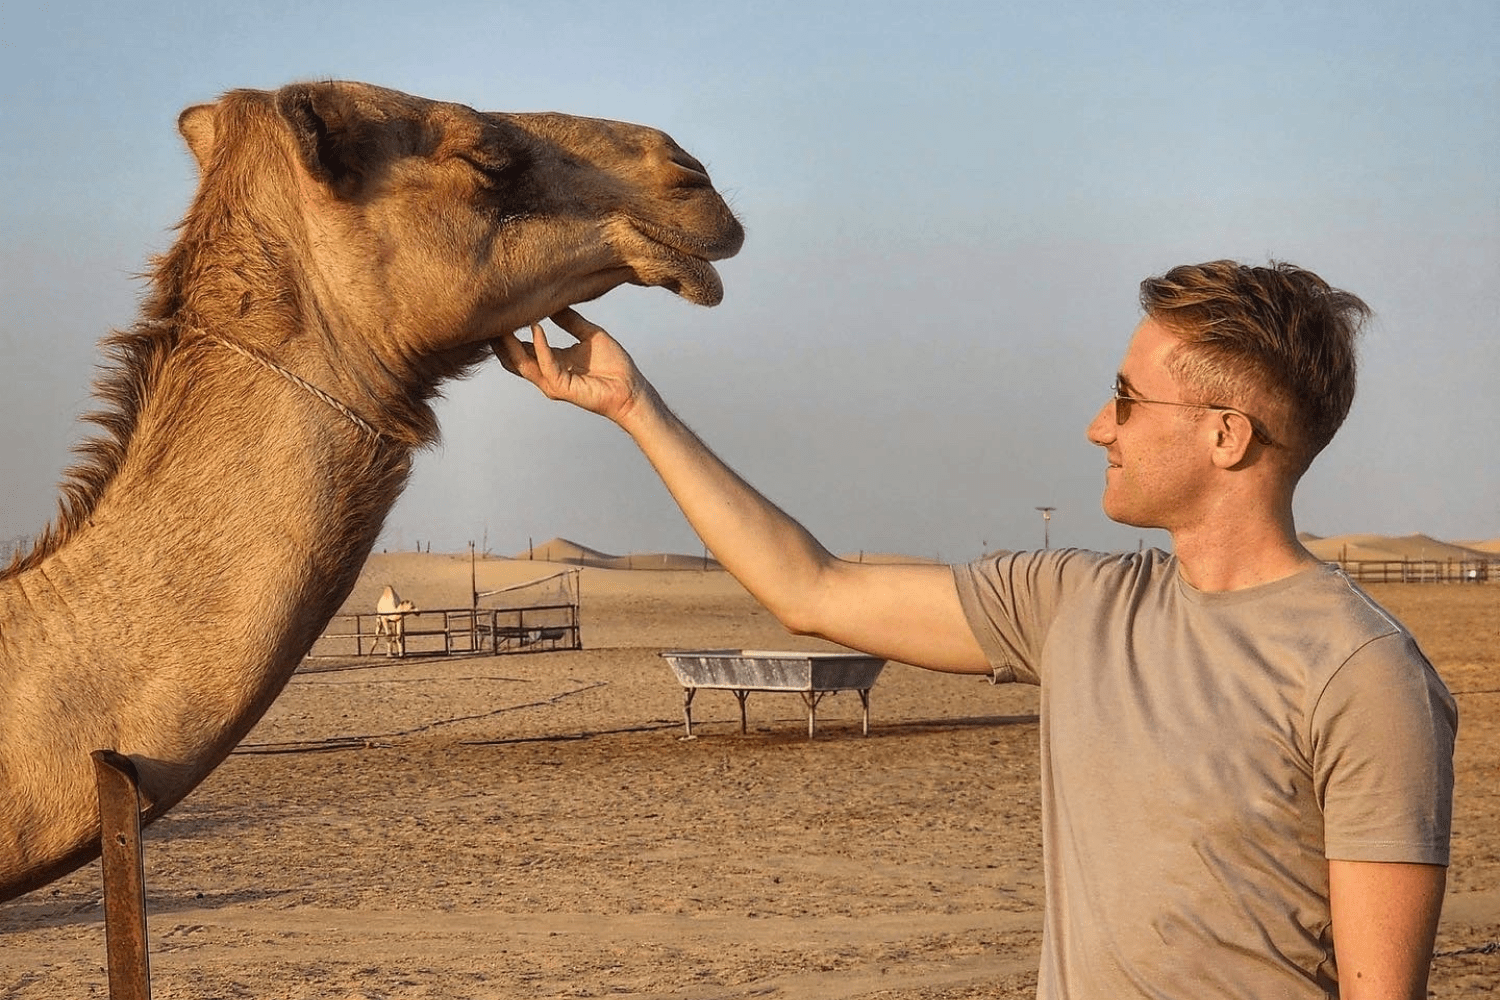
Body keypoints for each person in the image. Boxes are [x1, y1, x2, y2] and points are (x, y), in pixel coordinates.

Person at [494, 260, 1457, 999]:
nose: (1098, 426)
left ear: (1225, 435)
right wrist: (633, 409)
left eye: (1126, 397)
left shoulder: (1363, 673)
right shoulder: (1077, 606)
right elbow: (810, 588)